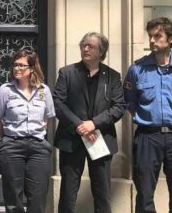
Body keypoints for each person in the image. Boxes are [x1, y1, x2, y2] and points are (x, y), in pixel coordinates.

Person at [124, 17, 172, 213]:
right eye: (150, 36)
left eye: (157, 36)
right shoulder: (137, 69)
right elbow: (130, 103)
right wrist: (150, 120)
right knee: (144, 194)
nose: (151, 40)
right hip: (147, 137)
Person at [53, 32, 125, 213]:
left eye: (90, 46)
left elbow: (118, 107)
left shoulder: (112, 76)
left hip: (100, 138)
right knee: (68, 191)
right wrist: (79, 125)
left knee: (102, 191)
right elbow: (58, 103)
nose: (85, 49)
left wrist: (94, 124)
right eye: (83, 45)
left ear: (102, 51)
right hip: (71, 139)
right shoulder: (67, 73)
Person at [0, 50, 55, 213]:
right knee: (13, 197)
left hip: (38, 147)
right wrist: (6, 139)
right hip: (12, 146)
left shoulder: (44, 90)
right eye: (15, 65)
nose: (17, 68)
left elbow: (48, 118)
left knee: (38, 196)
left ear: (32, 68)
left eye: (21, 65)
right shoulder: (6, 90)